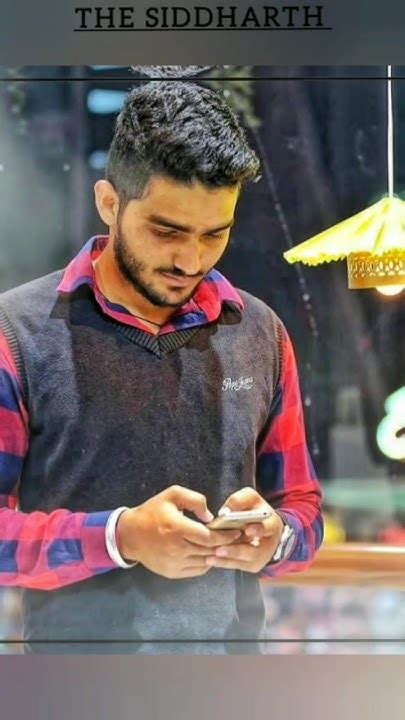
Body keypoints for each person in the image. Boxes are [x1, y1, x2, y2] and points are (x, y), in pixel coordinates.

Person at [0, 80, 323, 654]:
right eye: (166, 231)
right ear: (109, 202)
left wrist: (276, 538)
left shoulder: (261, 332)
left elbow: (303, 509)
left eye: (215, 234)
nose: (190, 260)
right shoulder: (17, 332)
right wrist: (120, 536)